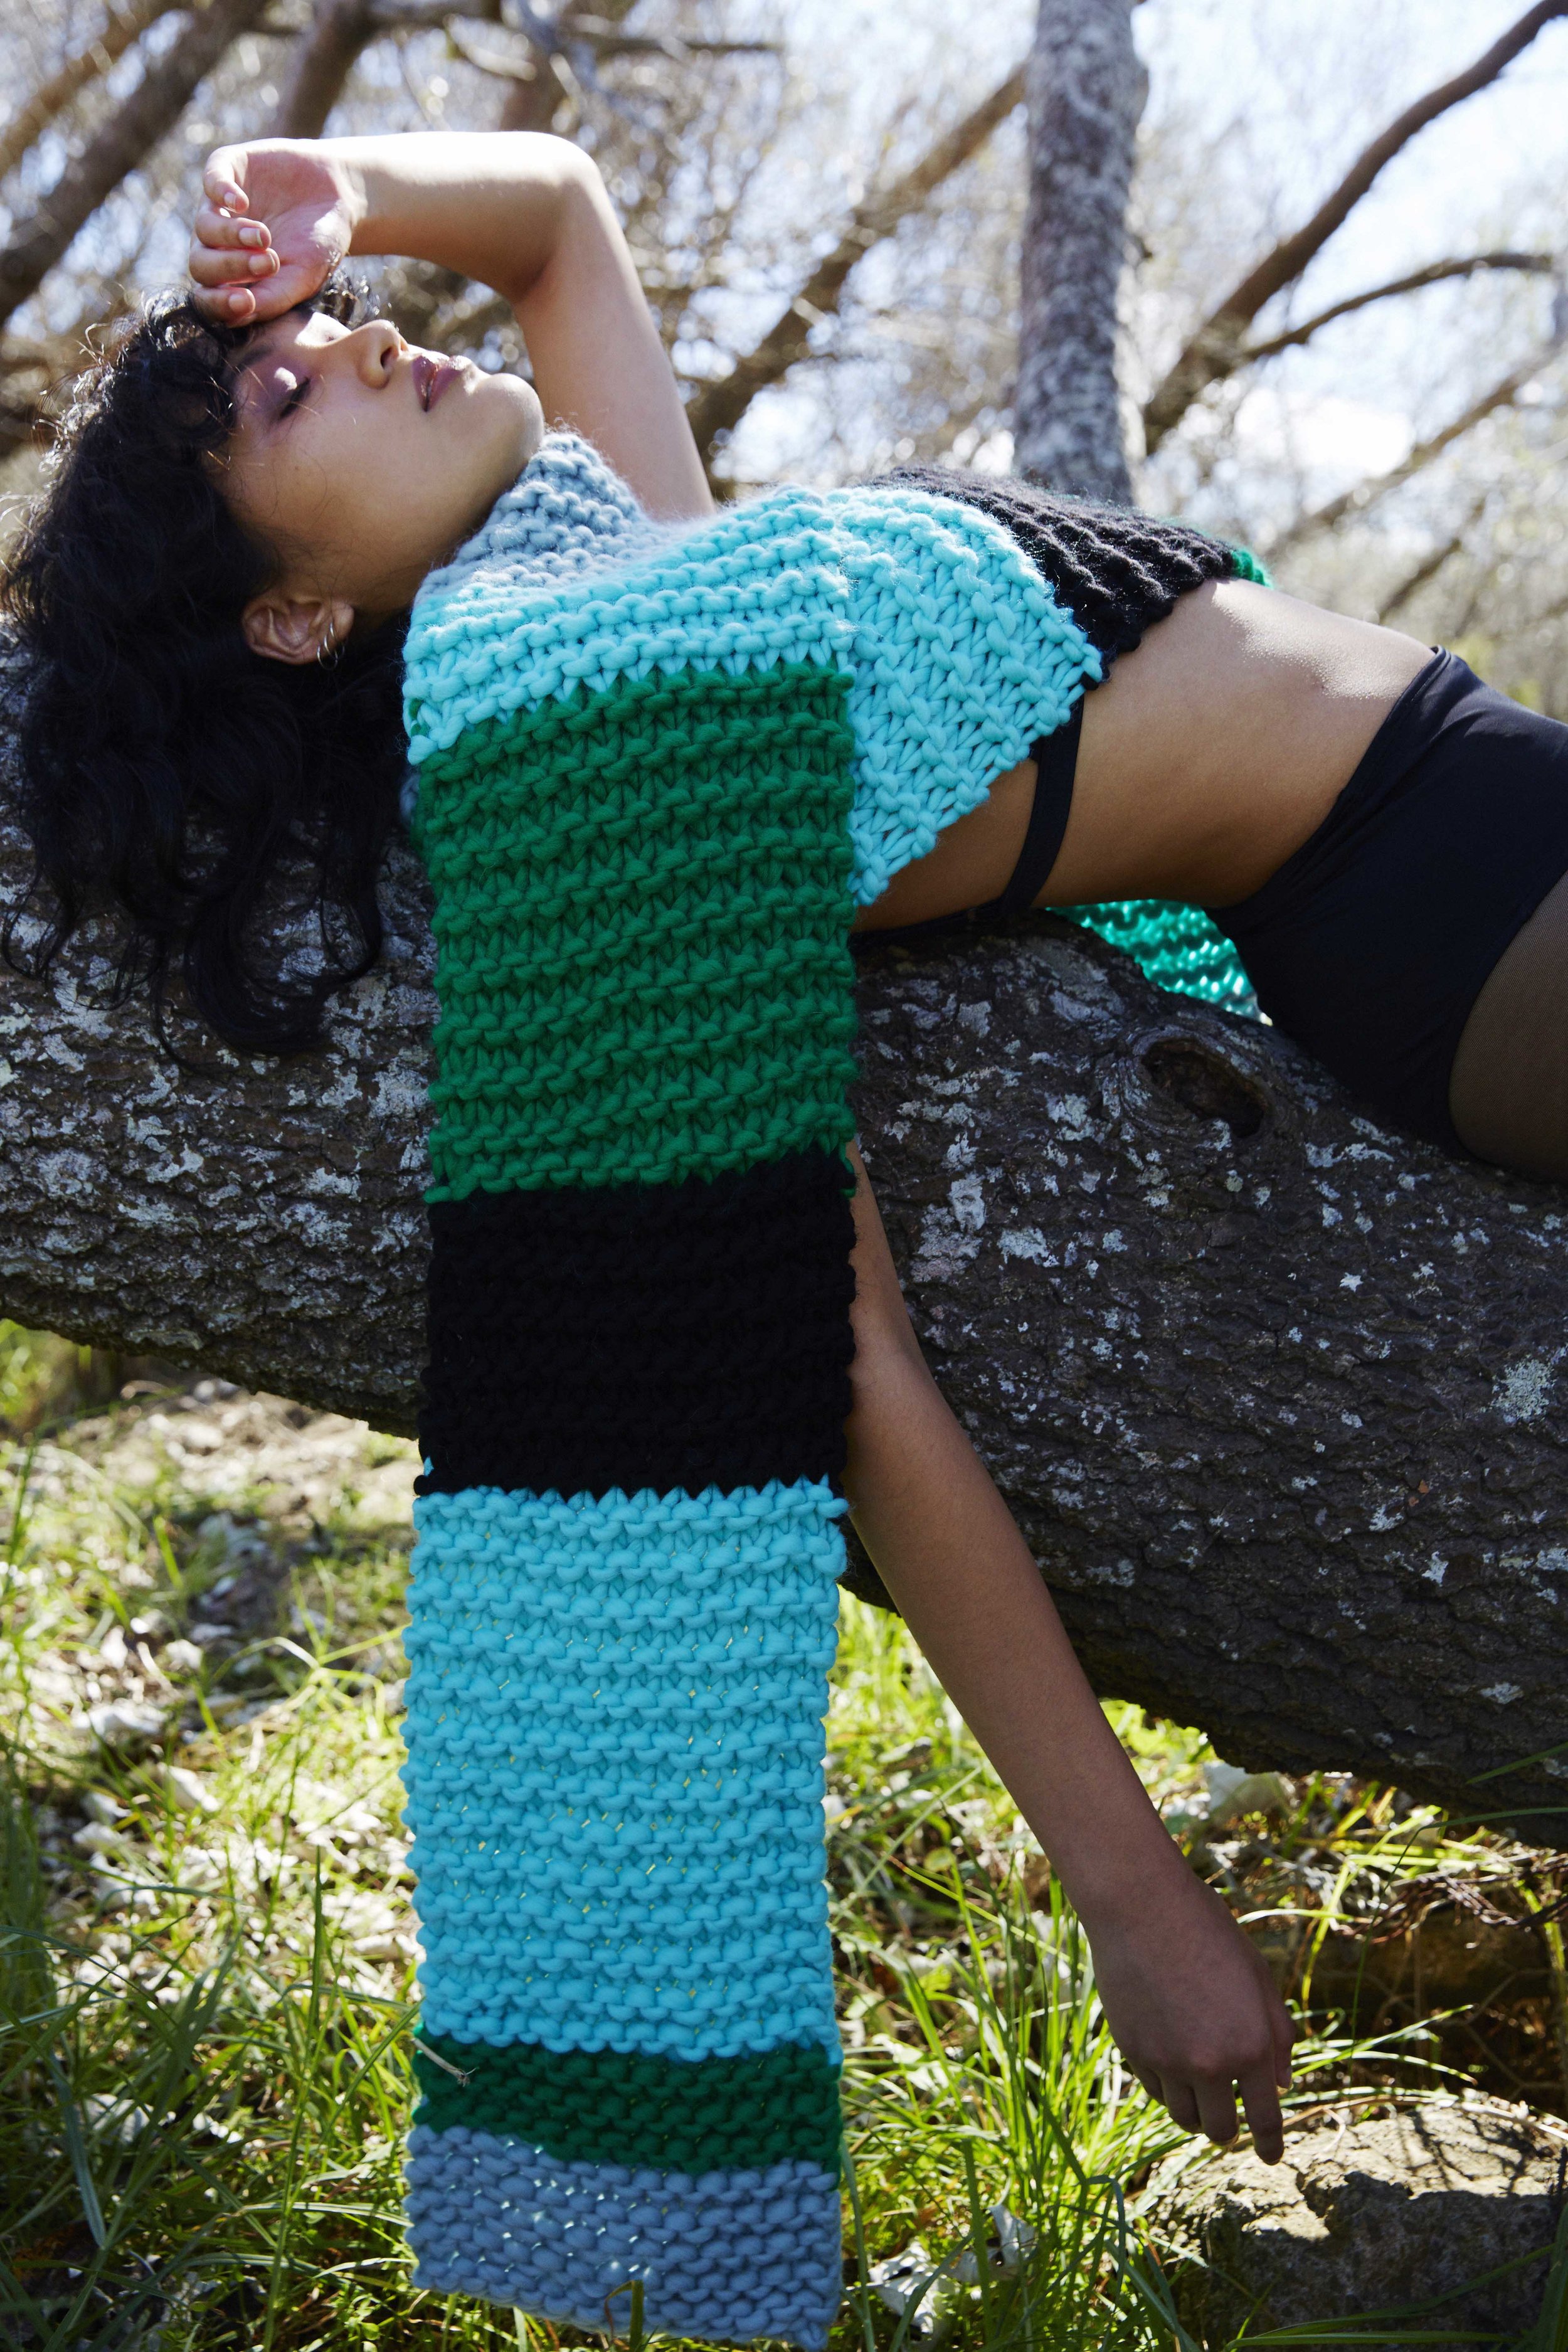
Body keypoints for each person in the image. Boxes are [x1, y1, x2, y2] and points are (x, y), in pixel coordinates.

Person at [40, 122, 1535, 2203]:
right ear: (290, 621)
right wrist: (1134, 1897)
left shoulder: (630, 574)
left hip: (1466, 796)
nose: (360, 345)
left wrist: (336, 192)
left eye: (330, 327)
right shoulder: (586, 733)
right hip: (1434, 899)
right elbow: (831, 1355)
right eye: (281, 397)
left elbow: (556, 214)